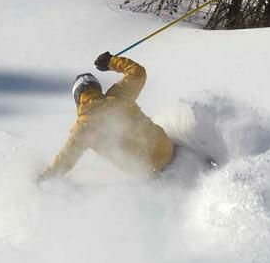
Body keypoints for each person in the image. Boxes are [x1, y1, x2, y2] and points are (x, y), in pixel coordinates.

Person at [38, 52, 174, 181]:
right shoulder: (119, 94)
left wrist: (46, 177)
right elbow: (138, 73)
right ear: (97, 88)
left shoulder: (82, 128)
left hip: (148, 170)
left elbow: (66, 159)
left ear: (77, 98)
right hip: (167, 149)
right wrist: (111, 61)